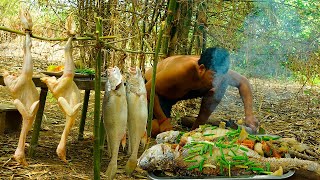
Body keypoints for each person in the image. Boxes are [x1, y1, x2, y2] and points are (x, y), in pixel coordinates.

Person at [144, 47, 259, 137]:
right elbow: (148, 88)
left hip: (186, 91)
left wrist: (249, 115)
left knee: (222, 84)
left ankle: (197, 127)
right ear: (201, 69)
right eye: (214, 75)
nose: (217, 81)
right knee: (155, 130)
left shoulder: (217, 70)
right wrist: (163, 120)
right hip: (158, 95)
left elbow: (243, 82)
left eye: (220, 76)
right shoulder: (180, 70)